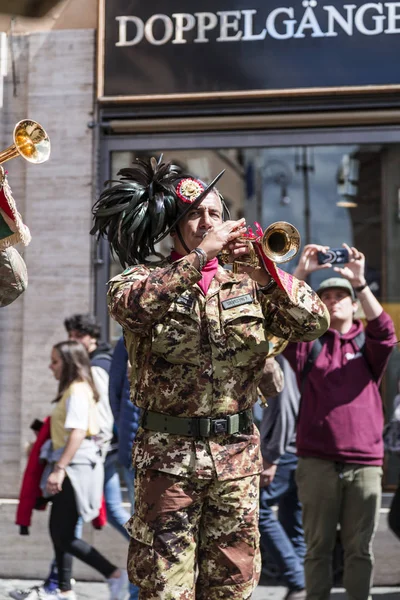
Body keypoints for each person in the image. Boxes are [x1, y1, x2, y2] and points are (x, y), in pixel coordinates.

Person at [90, 156, 329, 600]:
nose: (207, 222)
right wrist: (201, 257)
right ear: (175, 226)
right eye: (195, 215)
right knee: (165, 589)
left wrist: (266, 273)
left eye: (215, 214)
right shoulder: (141, 277)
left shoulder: (250, 283)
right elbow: (131, 307)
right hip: (168, 461)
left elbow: (313, 322)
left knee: (231, 588)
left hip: (236, 461)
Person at [283, 243, 397, 600]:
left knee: (359, 550)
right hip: (316, 460)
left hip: (364, 463)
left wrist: (360, 283)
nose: (333, 301)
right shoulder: (308, 343)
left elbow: (386, 331)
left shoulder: (368, 343)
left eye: (339, 296)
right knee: (316, 549)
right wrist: (300, 274)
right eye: (326, 296)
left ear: (352, 304)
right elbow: (281, 321)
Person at [41, 340, 128, 599]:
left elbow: (78, 432)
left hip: (75, 468)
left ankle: (113, 574)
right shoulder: (75, 389)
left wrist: (59, 468)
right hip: (74, 466)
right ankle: (64, 589)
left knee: (62, 533)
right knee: (60, 532)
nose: (50, 366)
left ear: (67, 363)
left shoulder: (78, 390)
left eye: (55, 361)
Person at [259, 355, 306, 599]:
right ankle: (302, 583)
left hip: (284, 452)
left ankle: (297, 579)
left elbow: (286, 408)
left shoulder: (277, 357)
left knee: (258, 510)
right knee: (292, 519)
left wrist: (272, 457)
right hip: (294, 450)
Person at [109, 335, 141, 600]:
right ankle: (135, 593)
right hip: (137, 451)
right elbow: (115, 394)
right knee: (142, 529)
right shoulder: (127, 341)